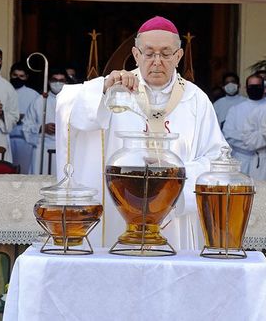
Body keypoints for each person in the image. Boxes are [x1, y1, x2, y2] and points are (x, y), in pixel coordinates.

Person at [69, 16, 227, 249]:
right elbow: (77, 118)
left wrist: (173, 188)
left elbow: (218, 159)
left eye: (165, 53)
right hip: (120, 209)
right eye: (149, 53)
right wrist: (102, 88)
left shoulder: (196, 99)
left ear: (178, 56)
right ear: (135, 55)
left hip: (175, 214)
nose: (156, 61)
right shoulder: (116, 90)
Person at [23, 69, 70, 175]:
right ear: (49, 81)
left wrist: (63, 128)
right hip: (42, 148)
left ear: (66, 82)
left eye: (61, 80)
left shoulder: (71, 102)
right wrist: (41, 128)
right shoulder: (39, 101)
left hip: (63, 148)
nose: (58, 83)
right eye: (54, 80)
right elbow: (26, 126)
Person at [222, 73, 266, 176]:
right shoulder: (235, 109)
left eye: (258, 86)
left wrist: (252, 140)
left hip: (264, 160)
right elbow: (228, 135)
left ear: (264, 88)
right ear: (245, 88)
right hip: (241, 160)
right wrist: (250, 142)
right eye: (251, 86)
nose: (254, 89)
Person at [9, 62, 38, 173]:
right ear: (10, 74)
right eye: (15, 75)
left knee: (24, 173)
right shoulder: (5, 90)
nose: (18, 78)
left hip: (25, 140)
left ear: (26, 77)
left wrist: (25, 118)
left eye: (21, 76)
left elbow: (37, 118)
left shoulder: (33, 95)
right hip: (6, 138)